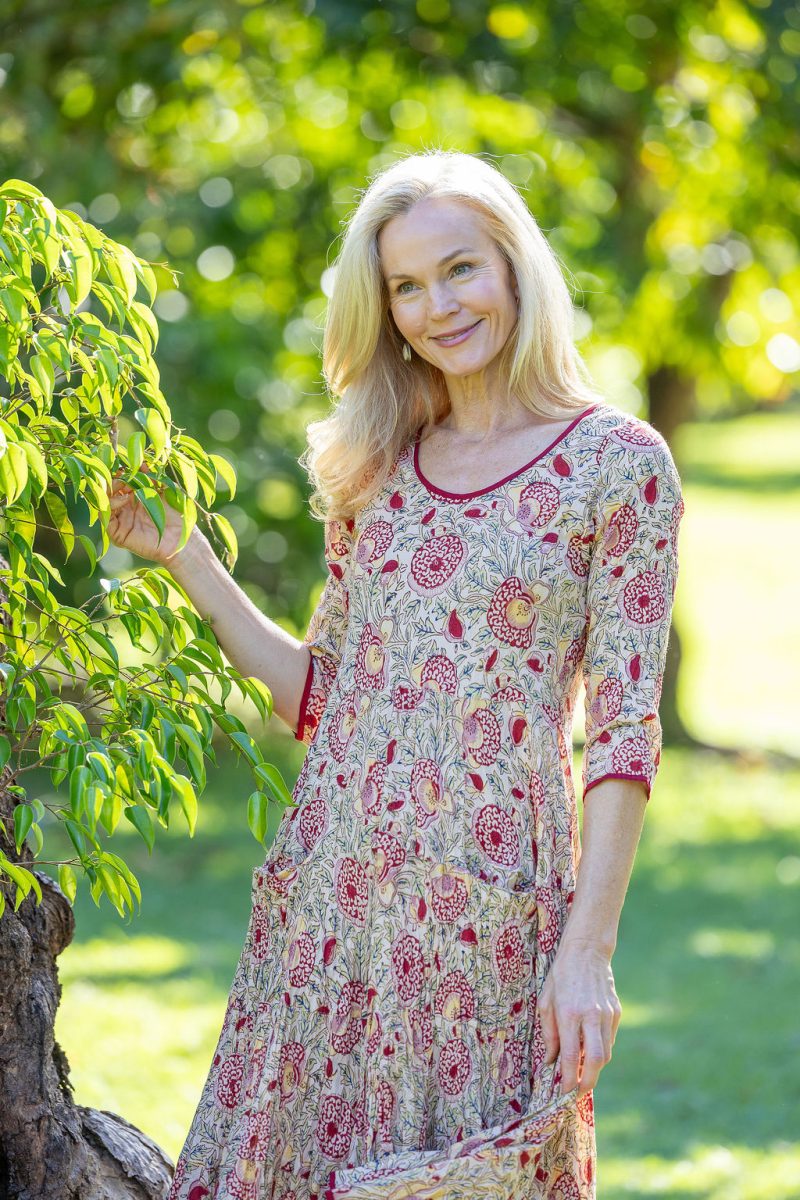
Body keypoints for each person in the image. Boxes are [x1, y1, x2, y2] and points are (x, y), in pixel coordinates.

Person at [109, 149, 683, 1200]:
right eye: (404, 289)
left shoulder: (618, 463)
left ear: (515, 267)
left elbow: (621, 728)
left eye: (459, 269)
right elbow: (318, 701)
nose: (435, 307)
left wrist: (586, 950)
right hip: (330, 905)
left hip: (486, 917)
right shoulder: (377, 464)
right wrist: (186, 553)